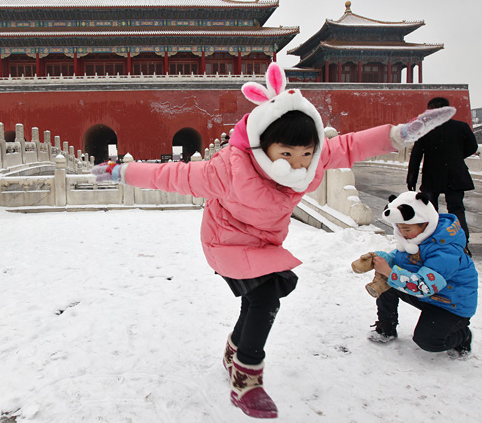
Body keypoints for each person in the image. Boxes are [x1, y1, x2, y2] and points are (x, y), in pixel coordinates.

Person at [91, 63, 457, 419]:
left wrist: (400, 134)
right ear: (262, 146)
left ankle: (234, 349)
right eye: (286, 154)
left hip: (264, 243)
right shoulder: (228, 170)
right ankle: (246, 381)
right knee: (265, 297)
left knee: (258, 298)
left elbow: (348, 146)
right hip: (227, 243)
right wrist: (120, 170)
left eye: (305, 154)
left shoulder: (310, 160)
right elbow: (171, 175)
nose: (298, 165)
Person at [366, 191, 477, 360]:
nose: (403, 234)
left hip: (451, 304)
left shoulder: (445, 249)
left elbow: (424, 286)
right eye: (400, 228)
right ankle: (386, 328)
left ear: (425, 223)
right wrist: (379, 259)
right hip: (431, 297)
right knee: (387, 282)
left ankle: (462, 335)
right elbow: (399, 259)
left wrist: (388, 271)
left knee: (427, 341)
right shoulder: (417, 239)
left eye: (407, 229)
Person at [407, 97, 478, 255]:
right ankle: (462, 243)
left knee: (431, 211)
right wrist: (456, 158)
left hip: (432, 175)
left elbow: (416, 156)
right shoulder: (461, 127)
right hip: (456, 174)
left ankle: (432, 243)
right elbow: (472, 146)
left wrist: (411, 178)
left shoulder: (425, 129)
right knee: (457, 209)